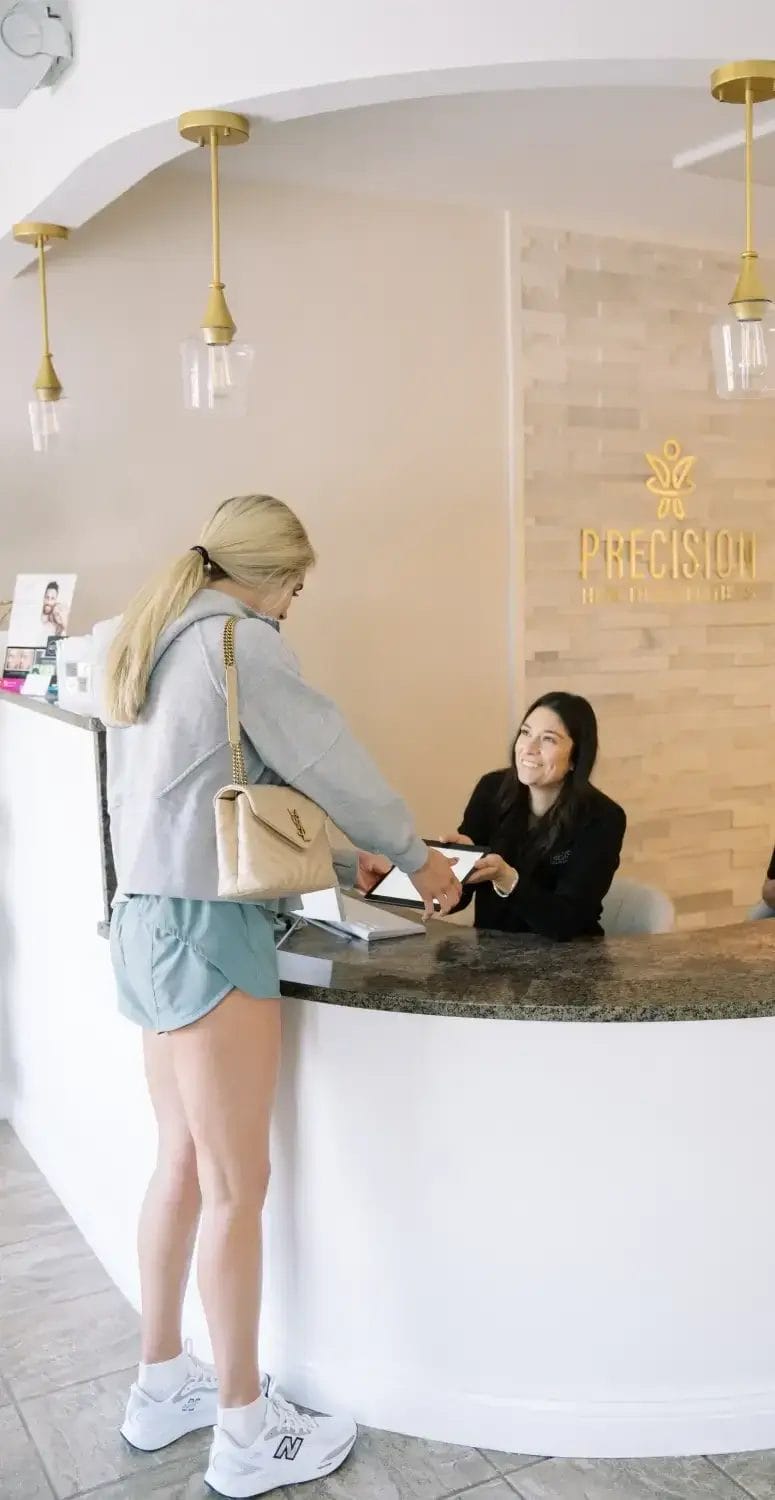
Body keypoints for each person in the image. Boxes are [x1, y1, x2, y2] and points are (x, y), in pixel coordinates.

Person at [100, 493, 460, 1499]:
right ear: (266, 572)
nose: (298, 599)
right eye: (297, 581)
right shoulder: (239, 645)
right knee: (234, 1190)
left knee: (180, 1165)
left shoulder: (142, 636)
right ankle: (244, 1434)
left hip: (142, 921)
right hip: (210, 932)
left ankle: (160, 1383)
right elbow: (327, 761)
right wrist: (413, 856)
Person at [446, 691, 625, 942]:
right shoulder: (491, 789)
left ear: (576, 757)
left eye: (549, 739)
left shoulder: (603, 818)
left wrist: (507, 878)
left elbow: (565, 922)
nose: (529, 748)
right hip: (492, 962)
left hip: (571, 965)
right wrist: (455, 867)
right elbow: (457, 901)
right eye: (525, 732)